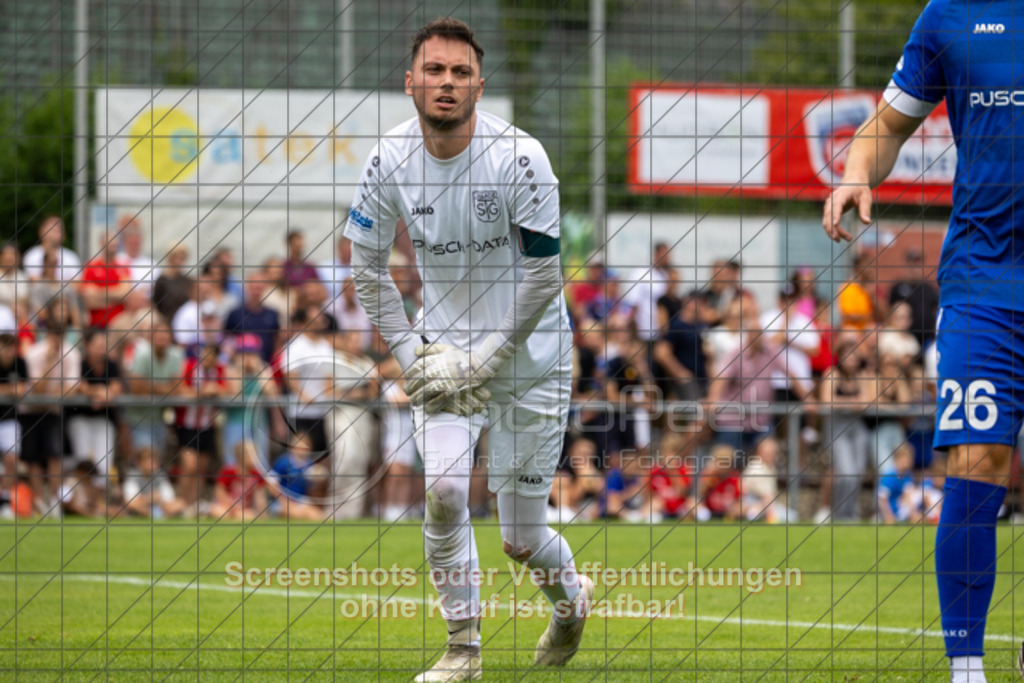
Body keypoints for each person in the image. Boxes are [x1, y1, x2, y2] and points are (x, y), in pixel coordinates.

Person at [345, 18, 592, 680]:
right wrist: (407, 351)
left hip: (531, 360)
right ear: (410, 82)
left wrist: (487, 358)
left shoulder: (521, 158)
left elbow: (545, 273)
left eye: (459, 73)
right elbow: (365, 266)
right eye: (434, 70)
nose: (446, 83)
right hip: (445, 362)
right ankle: (463, 650)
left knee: (521, 539)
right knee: (448, 491)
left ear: (480, 85)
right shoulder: (385, 160)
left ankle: (571, 606)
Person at [822, 5, 1022, 675]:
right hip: (984, 280)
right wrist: (856, 173)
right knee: (976, 461)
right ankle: (968, 669)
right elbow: (887, 123)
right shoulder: (950, 15)